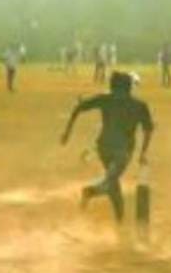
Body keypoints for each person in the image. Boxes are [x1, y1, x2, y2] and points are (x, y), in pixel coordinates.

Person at [61, 71, 154, 224]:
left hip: (104, 147)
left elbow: (78, 108)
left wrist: (67, 133)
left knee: (113, 181)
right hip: (123, 150)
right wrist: (143, 152)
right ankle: (92, 191)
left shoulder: (106, 99)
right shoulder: (139, 105)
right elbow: (148, 130)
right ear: (129, 88)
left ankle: (120, 219)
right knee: (111, 180)